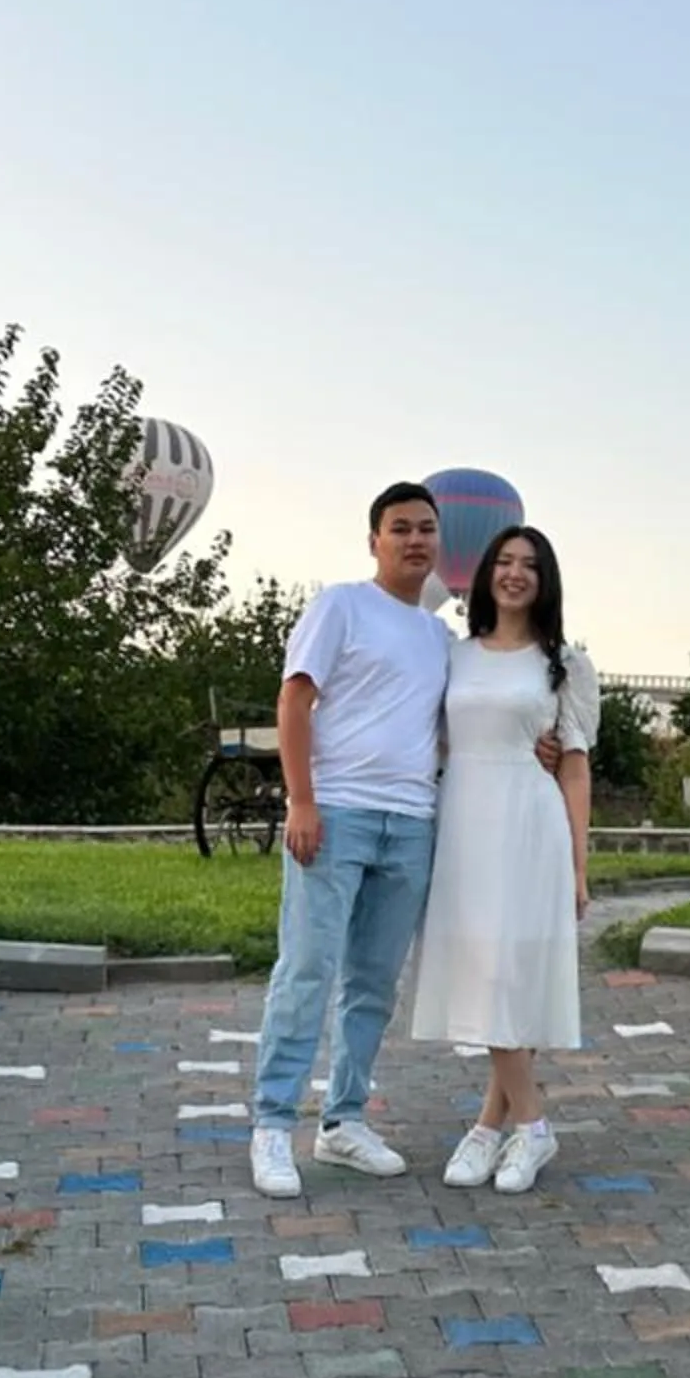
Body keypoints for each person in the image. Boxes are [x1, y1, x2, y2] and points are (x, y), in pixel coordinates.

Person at [248, 484, 454, 1198]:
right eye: (400, 528)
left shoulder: (439, 637)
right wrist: (301, 800)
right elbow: (294, 699)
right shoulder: (340, 604)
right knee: (307, 968)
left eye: (427, 529)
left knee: (373, 983)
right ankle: (273, 1124)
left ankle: (343, 1122)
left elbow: (449, 733)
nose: (415, 540)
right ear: (374, 540)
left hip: (411, 822)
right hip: (336, 814)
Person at [409, 525, 597, 1193]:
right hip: (464, 822)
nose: (515, 574)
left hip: (529, 823)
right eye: (504, 562)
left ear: (546, 581)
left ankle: (523, 1128)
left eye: (530, 565)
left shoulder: (563, 665)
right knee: (484, 969)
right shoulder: (454, 657)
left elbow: (574, 770)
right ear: (486, 572)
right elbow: (434, 742)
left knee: (508, 971)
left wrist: (577, 864)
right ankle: (502, 1126)